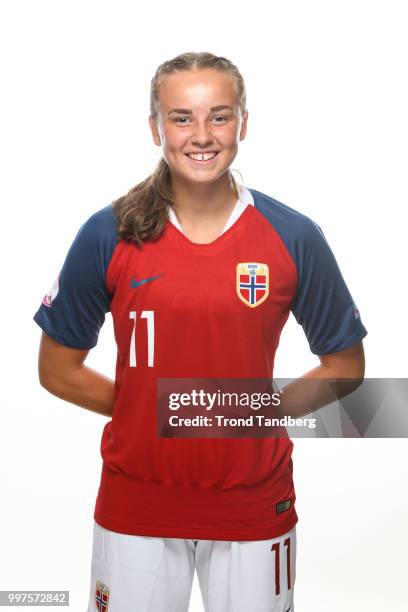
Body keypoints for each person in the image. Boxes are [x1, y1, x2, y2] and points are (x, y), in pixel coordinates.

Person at [33, 51, 367, 612]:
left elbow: (345, 365)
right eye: (182, 118)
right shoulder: (107, 233)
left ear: (244, 121)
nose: (202, 135)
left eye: (220, 115)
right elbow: (56, 369)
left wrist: (249, 412)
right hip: (136, 505)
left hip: (253, 503)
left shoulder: (293, 236)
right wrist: (152, 409)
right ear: (155, 127)